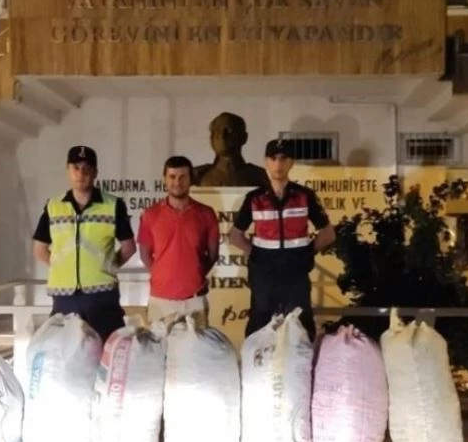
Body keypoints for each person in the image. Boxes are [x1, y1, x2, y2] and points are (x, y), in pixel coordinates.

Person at [228, 139, 336, 342]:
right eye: (273, 158)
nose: (278, 164)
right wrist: (257, 254)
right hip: (264, 273)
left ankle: (301, 361)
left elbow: (328, 234)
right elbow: (235, 235)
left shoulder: (305, 195)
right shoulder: (255, 197)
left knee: (300, 324)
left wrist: (305, 253)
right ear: (266, 162)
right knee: (260, 323)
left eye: (284, 158)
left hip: (295, 271)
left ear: (291, 162)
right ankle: (255, 360)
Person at [32, 145, 136, 342]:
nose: (81, 173)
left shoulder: (113, 205)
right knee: (65, 353)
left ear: (95, 172)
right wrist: (61, 266)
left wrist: (107, 266)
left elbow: (129, 248)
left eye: (87, 168)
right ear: (68, 170)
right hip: (64, 297)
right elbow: (39, 249)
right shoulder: (54, 206)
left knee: (107, 350)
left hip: (102, 297)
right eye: (76, 167)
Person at [138, 156, 220, 327]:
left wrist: (194, 275)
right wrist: (164, 275)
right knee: (160, 346)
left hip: (195, 301)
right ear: (164, 179)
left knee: (198, 346)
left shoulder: (206, 214)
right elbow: (145, 255)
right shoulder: (150, 214)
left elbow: (213, 255)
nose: (177, 182)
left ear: (191, 179)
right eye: (172, 177)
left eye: (183, 177)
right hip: (161, 302)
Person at [192, 112, 268, 187]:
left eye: (229, 131)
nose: (222, 136)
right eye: (218, 131)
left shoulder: (260, 176)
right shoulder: (197, 175)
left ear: (243, 137)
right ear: (211, 139)